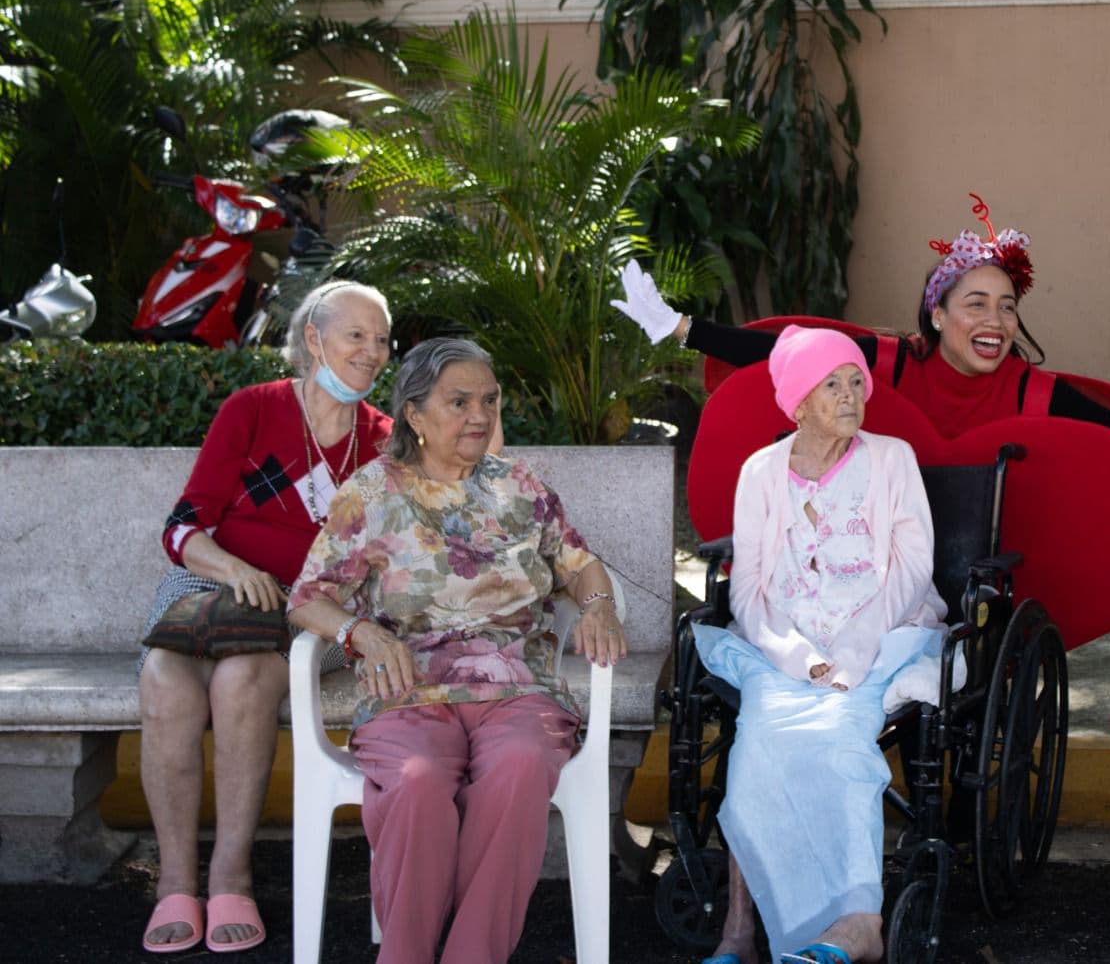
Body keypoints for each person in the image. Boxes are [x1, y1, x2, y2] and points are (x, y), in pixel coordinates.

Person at [286, 337, 626, 964]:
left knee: (522, 766)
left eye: (489, 401)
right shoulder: (370, 492)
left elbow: (580, 566)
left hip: (518, 688)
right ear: (413, 414)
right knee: (415, 784)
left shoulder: (520, 485)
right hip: (407, 688)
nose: (480, 416)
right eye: (459, 401)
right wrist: (360, 632)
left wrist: (600, 605)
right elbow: (308, 596)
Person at [609, 194, 1110, 478]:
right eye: (976, 304)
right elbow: (786, 349)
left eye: (1007, 307)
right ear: (937, 314)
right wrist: (681, 327)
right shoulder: (887, 364)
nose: (995, 322)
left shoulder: (1033, 390)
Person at [139, 280, 394, 954]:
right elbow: (183, 526)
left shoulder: (383, 443)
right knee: (166, 679)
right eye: (356, 336)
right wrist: (234, 570)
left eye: (382, 339)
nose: (374, 352)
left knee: (243, 681)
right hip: (212, 581)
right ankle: (173, 880)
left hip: (310, 606)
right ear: (314, 339)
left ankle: (230, 873)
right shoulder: (254, 409)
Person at [693, 325, 950, 964]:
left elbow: (914, 566)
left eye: (855, 380)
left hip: (884, 638)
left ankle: (858, 924)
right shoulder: (761, 472)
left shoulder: (892, 459)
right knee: (756, 753)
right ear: (798, 403)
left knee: (838, 744)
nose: (849, 394)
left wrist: (857, 647)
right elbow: (748, 590)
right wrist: (795, 654)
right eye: (830, 384)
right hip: (784, 651)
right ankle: (739, 933)